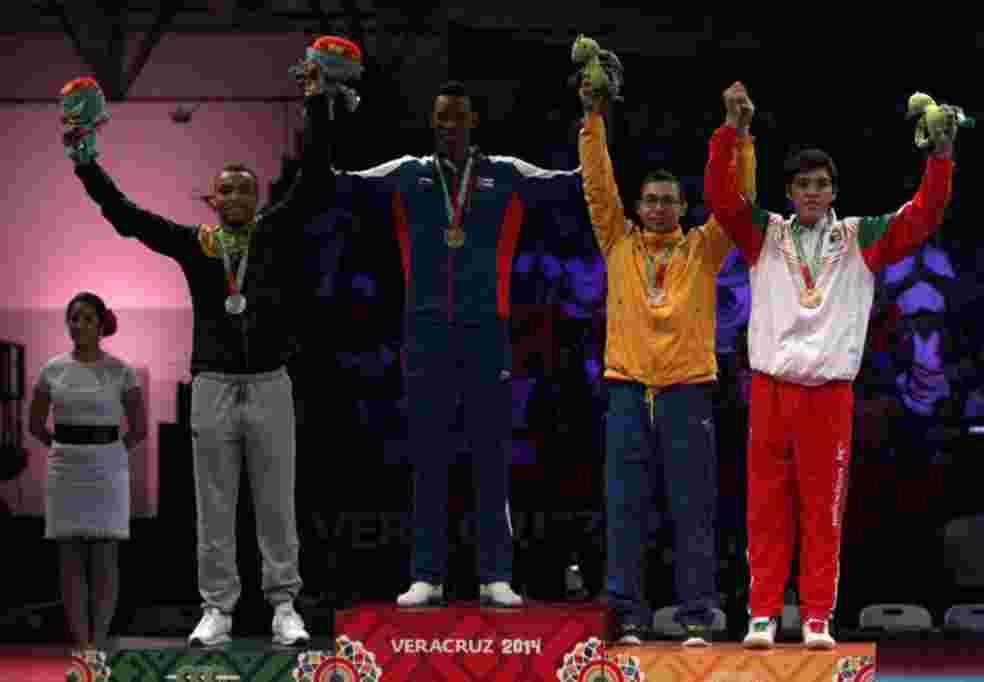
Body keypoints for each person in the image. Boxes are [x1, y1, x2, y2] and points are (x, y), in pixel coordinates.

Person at [62, 64, 329, 647]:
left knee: (276, 501)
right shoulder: (195, 245)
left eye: (244, 188)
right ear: (214, 199)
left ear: (257, 198)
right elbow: (127, 218)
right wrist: (85, 163)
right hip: (212, 384)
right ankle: (217, 609)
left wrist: (315, 102)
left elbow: (312, 180)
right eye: (225, 189)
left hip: (270, 383)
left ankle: (284, 605)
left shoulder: (276, 232)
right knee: (214, 503)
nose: (233, 196)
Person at [302, 78, 582, 607]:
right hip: (424, 333)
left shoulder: (507, 173)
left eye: (457, 116)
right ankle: (426, 574)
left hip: (488, 334)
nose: (447, 124)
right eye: (440, 116)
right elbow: (330, 182)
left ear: (474, 121)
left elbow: (577, 183)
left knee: (491, 455)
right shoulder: (407, 173)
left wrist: (594, 115)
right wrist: (320, 108)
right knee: (428, 457)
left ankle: (495, 574)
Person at [705, 81, 958, 649]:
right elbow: (722, 199)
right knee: (766, 509)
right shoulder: (765, 234)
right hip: (770, 390)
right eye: (803, 185)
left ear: (834, 190)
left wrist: (940, 157)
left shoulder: (860, 236)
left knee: (823, 511)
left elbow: (924, 215)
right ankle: (763, 614)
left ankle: (817, 615)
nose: (812, 193)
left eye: (821, 185)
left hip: (829, 396)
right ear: (789, 191)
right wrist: (732, 131)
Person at [577, 80, 756, 646]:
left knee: (693, 511)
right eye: (650, 200)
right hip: (627, 391)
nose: (658, 208)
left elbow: (739, 204)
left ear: (683, 207)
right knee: (625, 510)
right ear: (637, 206)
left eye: (668, 201)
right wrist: (593, 120)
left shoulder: (704, 247)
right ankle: (626, 617)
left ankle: (697, 616)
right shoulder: (617, 241)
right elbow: (597, 186)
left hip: (688, 392)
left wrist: (740, 136)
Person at [28, 292, 146, 652]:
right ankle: (82, 645)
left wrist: (109, 452)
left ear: (101, 324)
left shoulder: (121, 371)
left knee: (106, 556)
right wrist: (64, 449)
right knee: (70, 558)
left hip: (108, 465)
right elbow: (35, 425)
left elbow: (139, 429)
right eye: (74, 318)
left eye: (87, 318)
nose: (79, 325)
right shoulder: (52, 369)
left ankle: (101, 639)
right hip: (65, 465)